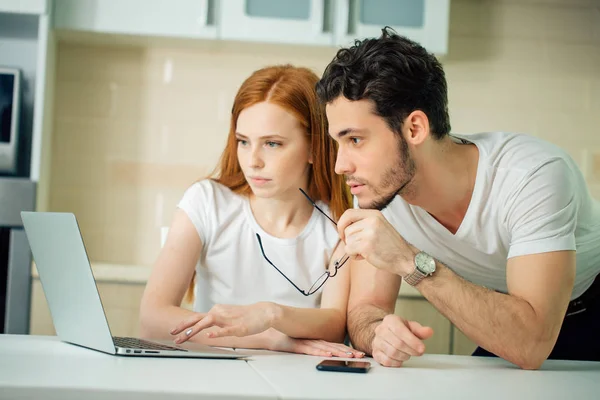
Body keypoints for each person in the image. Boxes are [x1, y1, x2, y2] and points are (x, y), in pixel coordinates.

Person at [315, 27, 600, 369]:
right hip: (511, 318)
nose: (340, 165)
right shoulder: (379, 190)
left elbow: (531, 343)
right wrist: (379, 333)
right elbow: (365, 311)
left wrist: (408, 261)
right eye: (338, 143)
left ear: (415, 128)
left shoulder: (532, 176)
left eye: (356, 140)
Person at [139, 64, 364, 358]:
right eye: (243, 142)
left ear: (314, 148)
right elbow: (152, 321)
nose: (253, 161)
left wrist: (270, 314)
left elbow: (334, 325)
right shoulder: (206, 203)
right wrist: (269, 338)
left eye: (272, 144)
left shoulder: (340, 225)